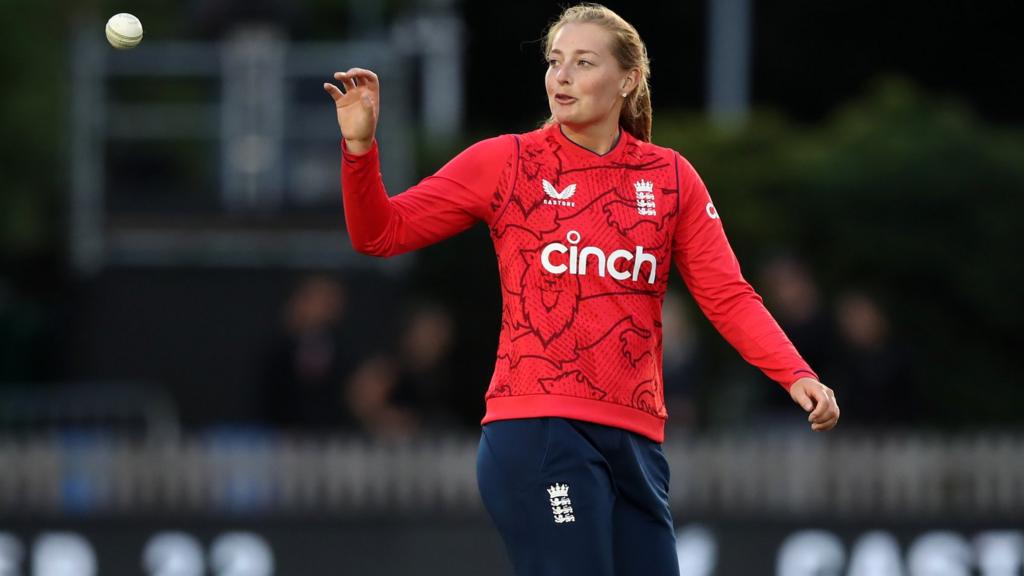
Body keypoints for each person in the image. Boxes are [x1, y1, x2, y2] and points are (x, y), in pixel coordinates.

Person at [324, 4, 840, 575]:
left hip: (637, 443)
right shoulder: (509, 162)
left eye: (583, 62)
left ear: (628, 80)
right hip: (539, 432)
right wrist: (359, 151)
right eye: (554, 62)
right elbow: (381, 233)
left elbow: (728, 295)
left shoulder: (670, 178)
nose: (561, 77)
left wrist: (795, 373)